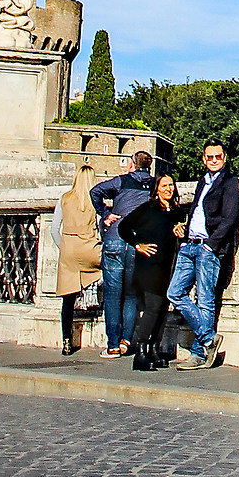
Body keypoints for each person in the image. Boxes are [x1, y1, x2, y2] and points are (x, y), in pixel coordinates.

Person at [165, 141, 239, 370]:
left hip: (208, 249)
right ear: (203, 159)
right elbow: (198, 210)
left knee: (205, 301)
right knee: (175, 292)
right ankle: (209, 339)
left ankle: (199, 354)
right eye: (210, 157)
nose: (214, 160)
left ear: (224, 158)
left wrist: (211, 245)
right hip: (189, 245)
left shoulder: (230, 182)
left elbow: (230, 218)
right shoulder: (203, 180)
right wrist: (185, 231)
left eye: (218, 157)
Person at [91, 151, 158, 357]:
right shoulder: (155, 185)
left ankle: (112, 345)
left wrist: (105, 214)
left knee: (112, 295)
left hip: (115, 239)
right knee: (131, 295)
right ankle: (126, 341)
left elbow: (95, 192)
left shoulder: (121, 181)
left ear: (132, 165)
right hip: (138, 243)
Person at [120, 173, 183, 372]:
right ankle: (140, 351)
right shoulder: (148, 208)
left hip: (167, 265)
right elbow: (124, 227)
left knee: (163, 308)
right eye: (164, 185)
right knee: (153, 307)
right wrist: (138, 245)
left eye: (171, 185)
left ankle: (154, 349)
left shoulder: (175, 211)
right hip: (149, 266)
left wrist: (182, 231)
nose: (168, 189)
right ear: (156, 188)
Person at [53, 160, 103, 355]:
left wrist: (63, 247)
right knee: (109, 270)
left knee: (67, 299)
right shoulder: (94, 201)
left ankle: (66, 341)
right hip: (89, 248)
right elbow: (101, 227)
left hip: (69, 250)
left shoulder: (64, 199)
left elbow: (53, 229)